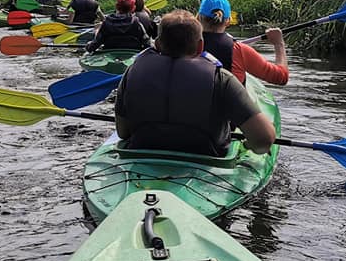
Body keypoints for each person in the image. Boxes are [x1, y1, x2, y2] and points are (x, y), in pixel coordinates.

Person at [114, 9, 276, 157]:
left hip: (142, 155)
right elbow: (264, 140)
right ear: (200, 46)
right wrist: (247, 144)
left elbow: (122, 132)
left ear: (157, 44)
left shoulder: (132, 72)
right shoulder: (221, 79)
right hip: (208, 161)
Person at [198, 0, 288, 86]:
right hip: (229, 100)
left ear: (198, 18)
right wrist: (279, 43)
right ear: (228, 21)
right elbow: (281, 77)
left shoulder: (186, 45)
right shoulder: (239, 50)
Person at [85, 0, 151, 53]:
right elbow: (147, 44)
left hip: (109, 54)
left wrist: (88, 45)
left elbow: (94, 45)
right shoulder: (136, 23)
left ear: (116, 6)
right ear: (133, 8)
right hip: (132, 54)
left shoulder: (106, 22)